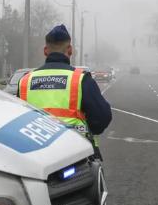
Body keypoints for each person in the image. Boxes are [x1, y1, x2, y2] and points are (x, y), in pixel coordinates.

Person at [18, 25, 112, 159]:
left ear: (45, 51)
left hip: (34, 155)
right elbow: (102, 117)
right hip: (76, 153)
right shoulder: (80, 79)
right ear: (70, 50)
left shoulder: (25, 81)